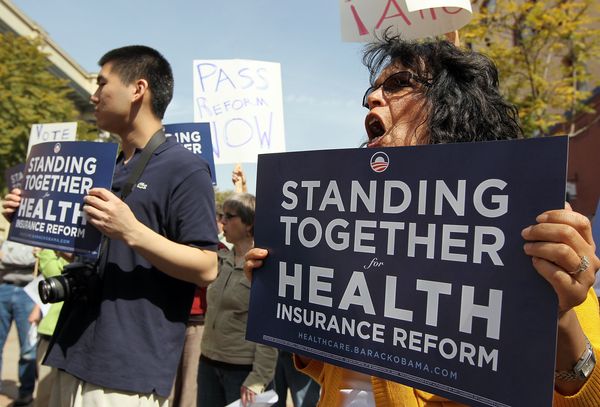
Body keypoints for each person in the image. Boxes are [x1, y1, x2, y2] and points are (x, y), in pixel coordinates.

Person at [245, 34, 600, 406]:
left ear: (452, 106)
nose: (372, 97)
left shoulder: (521, 224)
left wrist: (557, 319)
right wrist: (288, 295)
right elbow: (343, 368)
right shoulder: (351, 226)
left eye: (398, 84)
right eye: (373, 88)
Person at [3, 45, 219, 407]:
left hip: (125, 373)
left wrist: (131, 230)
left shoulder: (186, 168)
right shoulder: (108, 166)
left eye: (102, 83)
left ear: (138, 89)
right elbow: (92, 251)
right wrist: (33, 219)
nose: (93, 94)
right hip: (72, 350)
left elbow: (207, 266)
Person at [198, 193, 278, 406]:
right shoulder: (221, 260)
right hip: (208, 363)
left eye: (229, 216)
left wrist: (259, 378)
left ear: (249, 223)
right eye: (222, 215)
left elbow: (268, 328)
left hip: (242, 372)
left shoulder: (262, 266)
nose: (222, 221)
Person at [27, 250, 72, 407]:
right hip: (51, 331)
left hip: (68, 332)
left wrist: (48, 250)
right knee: (46, 393)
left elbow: (54, 272)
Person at [0, 240, 37, 407]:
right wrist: (26, 257)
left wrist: (7, 257)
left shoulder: (40, 234)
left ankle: (25, 393)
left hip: (28, 292)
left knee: (28, 349)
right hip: (3, 288)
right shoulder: (11, 234)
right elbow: (28, 258)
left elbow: (36, 259)